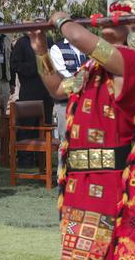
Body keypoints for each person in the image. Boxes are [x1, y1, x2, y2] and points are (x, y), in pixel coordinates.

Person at [31, 0, 135, 258]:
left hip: (108, 182)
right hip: (77, 182)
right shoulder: (90, 68)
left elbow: (78, 37)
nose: (110, 18)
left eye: (122, 17)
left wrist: (60, 19)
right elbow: (57, 88)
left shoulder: (133, 63)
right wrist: (41, 50)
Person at [10, 19, 55, 167]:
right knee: (26, 125)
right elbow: (15, 64)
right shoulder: (22, 43)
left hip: (47, 91)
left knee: (46, 123)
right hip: (29, 89)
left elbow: (51, 64)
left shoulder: (49, 41)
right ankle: (25, 158)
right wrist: (34, 67)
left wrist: (45, 68)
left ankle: (42, 159)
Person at [49, 36, 87, 170]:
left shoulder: (85, 47)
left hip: (84, 101)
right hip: (65, 102)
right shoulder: (57, 48)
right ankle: (63, 177)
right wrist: (82, 82)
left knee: (83, 139)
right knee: (66, 140)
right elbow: (61, 73)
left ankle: (80, 174)